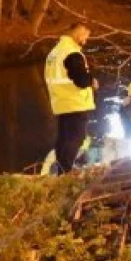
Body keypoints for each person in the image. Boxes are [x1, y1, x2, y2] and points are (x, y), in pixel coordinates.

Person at [43, 22, 98, 173]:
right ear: (79, 33)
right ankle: (65, 173)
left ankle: (61, 170)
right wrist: (91, 80)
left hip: (60, 102)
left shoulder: (54, 52)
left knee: (64, 139)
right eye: (85, 36)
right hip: (75, 103)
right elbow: (80, 79)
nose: (85, 41)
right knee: (76, 138)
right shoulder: (71, 52)